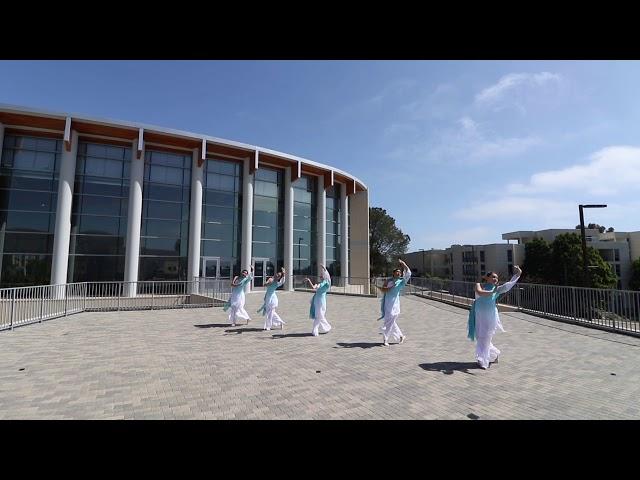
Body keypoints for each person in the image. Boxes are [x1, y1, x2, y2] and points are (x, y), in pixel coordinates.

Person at [468, 265, 522, 369]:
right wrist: (492, 292)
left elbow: (508, 285)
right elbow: (480, 293)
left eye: (496, 277)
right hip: (478, 316)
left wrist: (518, 274)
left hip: (490, 316)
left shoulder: (497, 289)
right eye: (493, 277)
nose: (495, 279)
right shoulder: (479, 285)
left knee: (486, 338)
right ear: (486, 278)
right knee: (480, 337)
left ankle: (483, 360)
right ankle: (495, 353)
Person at [375, 259, 411, 346]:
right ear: (393, 274)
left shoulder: (401, 282)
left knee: (389, 320)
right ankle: (400, 336)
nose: (399, 273)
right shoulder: (389, 281)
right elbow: (383, 290)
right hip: (387, 302)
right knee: (390, 320)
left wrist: (404, 264)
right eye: (397, 272)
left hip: (395, 303)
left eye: (400, 272)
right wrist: (387, 288)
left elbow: (409, 274)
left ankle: (385, 338)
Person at [305, 265, 332, 337]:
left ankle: (320, 329)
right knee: (319, 316)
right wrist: (309, 280)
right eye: (321, 275)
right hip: (317, 300)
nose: (321, 276)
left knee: (320, 316)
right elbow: (314, 287)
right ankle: (319, 329)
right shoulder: (321, 283)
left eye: (322, 275)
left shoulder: (326, 283)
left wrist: (324, 268)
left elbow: (328, 277)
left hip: (321, 301)